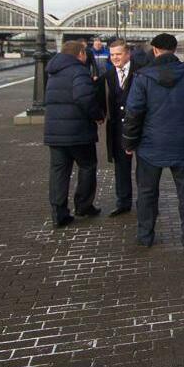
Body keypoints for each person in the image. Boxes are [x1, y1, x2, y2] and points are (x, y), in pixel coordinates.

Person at [123, 33, 184, 250]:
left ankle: (145, 236)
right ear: (174, 50)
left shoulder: (142, 77)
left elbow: (133, 113)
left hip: (149, 147)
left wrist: (129, 143)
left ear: (155, 50)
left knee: (147, 192)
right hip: (182, 144)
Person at [45, 40, 105, 227]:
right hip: (78, 131)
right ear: (80, 54)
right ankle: (83, 205)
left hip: (55, 132)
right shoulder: (79, 70)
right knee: (87, 166)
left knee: (59, 172)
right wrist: (97, 115)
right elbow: (83, 98)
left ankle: (58, 212)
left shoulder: (53, 72)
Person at [104, 39, 139, 216]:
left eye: (118, 54)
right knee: (121, 168)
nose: (115, 58)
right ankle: (123, 202)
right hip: (117, 129)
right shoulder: (108, 75)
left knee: (144, 169)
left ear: (128, 54)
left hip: (140, 129)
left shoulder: (140, 72)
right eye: (112, 55)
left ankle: (145, 203)